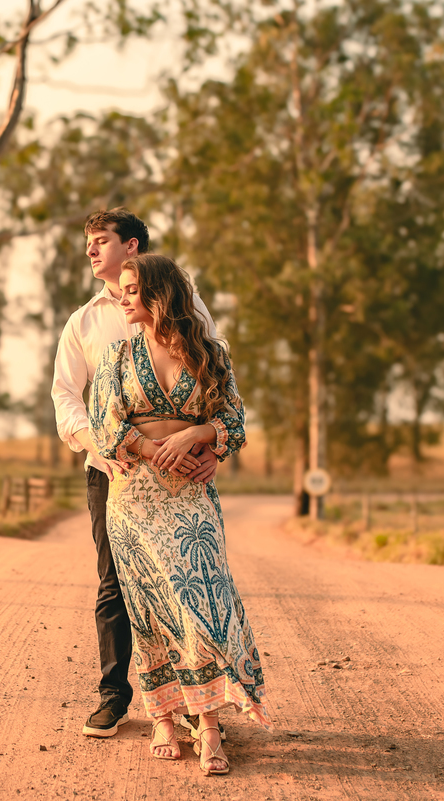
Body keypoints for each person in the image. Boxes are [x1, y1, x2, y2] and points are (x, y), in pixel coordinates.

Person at [89, 253, 272, 775]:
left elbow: (233, 421)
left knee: (204, 602)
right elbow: (106, 428)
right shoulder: (117, 358)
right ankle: (165, 718)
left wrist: (198, 435)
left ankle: (210, 724)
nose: (121, 298)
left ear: (159, 295)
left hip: (192, 498)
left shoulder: (209, 354)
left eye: (130, 290)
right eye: (121, 290)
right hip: (135, 500)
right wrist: (152, 451)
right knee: (151, 611)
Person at [51, 209, 221, 741]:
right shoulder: (84, 321)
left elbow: (219, 375)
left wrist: (212, 443)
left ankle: (197, 702)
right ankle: (115, 696)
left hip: (182, 475)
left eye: (100, 241)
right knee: (114, 584)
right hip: (113, 474)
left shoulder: (187, 305)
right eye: (87, 243)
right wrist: (100, 450)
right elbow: (65, 397)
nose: (90, 251)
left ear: (131, 246)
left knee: (186, 583)